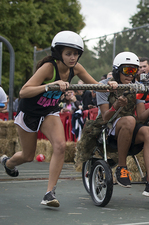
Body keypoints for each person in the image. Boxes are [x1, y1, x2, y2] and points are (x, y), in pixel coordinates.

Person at [0, 30, 103, 207]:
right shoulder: (48, 68)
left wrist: (111, 84)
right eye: (68, 53)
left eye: (76, 53)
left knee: (60, 145)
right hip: (29, 113)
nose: (73, 57)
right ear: (58, 53)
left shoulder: (76, 68)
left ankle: (49, 193)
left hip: (49, 112)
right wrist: (49, 86)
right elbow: (23, 91)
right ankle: (7, 163)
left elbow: (96, 85)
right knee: (28, 156)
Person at [96, 51, 149, 200]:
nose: (131, 75)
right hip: (108, 127)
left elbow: (142, 117)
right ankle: (122, 167)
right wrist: (116, 105)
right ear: (117, 71)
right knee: (129, 119)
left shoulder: (137, 87)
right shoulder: (104, 86)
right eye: (127, 70)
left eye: (134, 71)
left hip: (129, 125)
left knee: (148, 130)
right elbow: (104, 117)